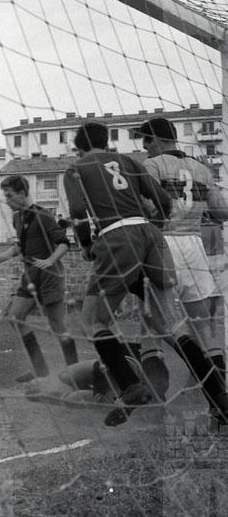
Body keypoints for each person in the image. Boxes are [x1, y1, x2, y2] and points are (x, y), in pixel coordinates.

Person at [64, 121, 228, 427]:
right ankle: (218, 395)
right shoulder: (131, 162)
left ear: (79, 148)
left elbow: (76, 211)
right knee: (175, 324)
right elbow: (164, 201)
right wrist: (155, 227)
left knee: (95, 320)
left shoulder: (77, 168)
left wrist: (86, 245)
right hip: (162, 239)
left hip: (121, 238)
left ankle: (133, 387)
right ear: (107, 142)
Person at [137, 117, 228, 392]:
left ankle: (156, 388)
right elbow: (221, 212)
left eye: (146, 142)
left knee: (151, 319)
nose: (145, 148)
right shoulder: (202, 169)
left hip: (163, 243)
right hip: (194, 246)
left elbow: (149, 208)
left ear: (154, 139)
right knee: (203, 325)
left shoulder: (153, 165)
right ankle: (219, 392)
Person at [0, 175, 77, 383]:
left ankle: (75, 371)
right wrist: (0, 258)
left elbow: (63, 243)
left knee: (57, 325)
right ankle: (40, 369)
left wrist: (50, 260)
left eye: (9, 196)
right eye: (5, 196)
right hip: (30, 275)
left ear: (22, 193)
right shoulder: (17, 218)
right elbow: (21, 245)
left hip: (50, 276)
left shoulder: (43, 215)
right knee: (15, 317)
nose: (7, 201)